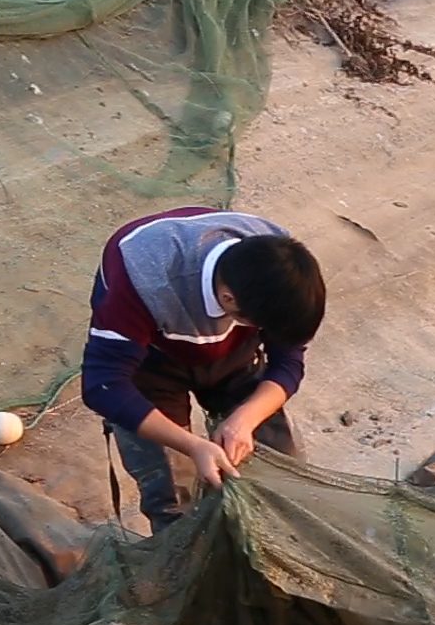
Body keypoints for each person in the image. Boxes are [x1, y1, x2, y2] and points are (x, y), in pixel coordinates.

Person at [81, 207, 325, 530]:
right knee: (174, 504)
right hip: (151, 363)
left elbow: (288, 360)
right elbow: (102, 384)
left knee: (282, 476)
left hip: (233, 352)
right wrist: (193, 446)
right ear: (229, 300)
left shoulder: (278, 259)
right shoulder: (142, 279)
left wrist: (243, 421)